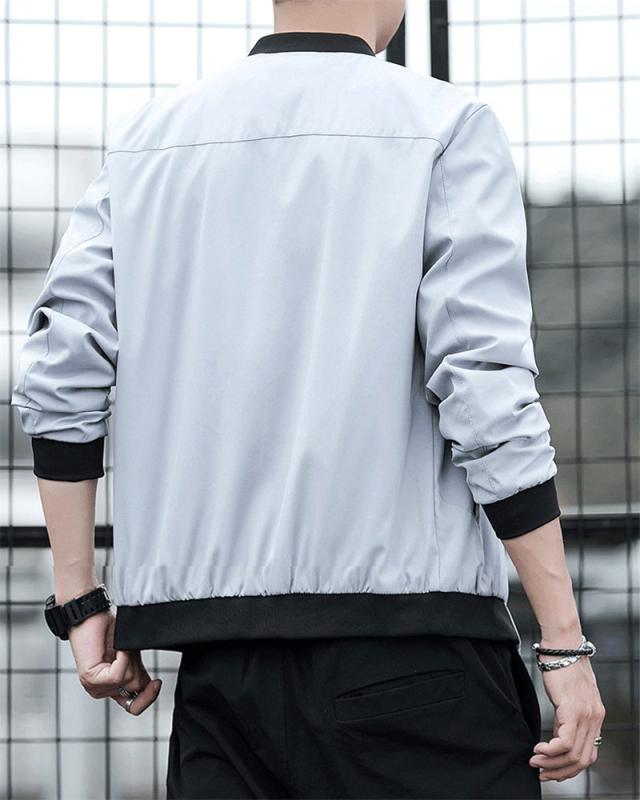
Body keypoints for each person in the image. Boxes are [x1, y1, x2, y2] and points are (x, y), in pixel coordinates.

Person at [11, 0, 606, 797]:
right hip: (416, 657)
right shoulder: (444, 127)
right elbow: (484, 388)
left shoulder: (147, 143)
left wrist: (81, 602)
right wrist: (563, 643)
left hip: (221, 681)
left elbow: (59, 371)